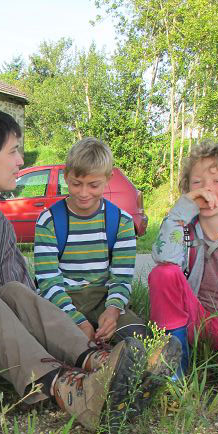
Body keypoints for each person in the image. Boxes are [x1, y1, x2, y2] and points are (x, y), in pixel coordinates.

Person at [0, 105, 175, 433]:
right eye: (13, 151)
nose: (20, 161)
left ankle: (97, 362)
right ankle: (71, 390)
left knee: (14, 292)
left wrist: (35, 335)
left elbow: (20, 290)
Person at [34, 136, 146, 342]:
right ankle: (83, 361)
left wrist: (113, 311)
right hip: (61, 299)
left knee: (137, 334)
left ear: (108, 178)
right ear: (66, 177)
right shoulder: (48, 220)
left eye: (93, 185)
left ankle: (114, 360)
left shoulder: (122, 221)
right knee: (52, 339)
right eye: (76, 184)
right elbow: (48, 282)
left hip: (103, 298)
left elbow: (121, 278)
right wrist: (78, 321)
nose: (84, 193)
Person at [149, 140, 218, 373]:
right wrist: (181, 211)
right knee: (163, 273)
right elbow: (164, 258)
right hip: (189, 320)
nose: (207, 190)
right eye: (197, 183)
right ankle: (175, 368)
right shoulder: (184, 228)